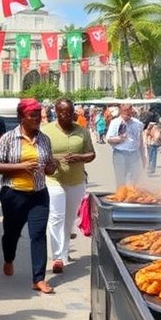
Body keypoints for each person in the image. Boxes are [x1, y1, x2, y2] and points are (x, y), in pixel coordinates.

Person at [0, 99, 57, 293]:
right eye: (32, 115)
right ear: (22, 117)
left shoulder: (44, 139)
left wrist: (51, 168)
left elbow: (49, 166)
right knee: (11, 233)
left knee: (38, 234)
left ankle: (38, 278)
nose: (37, 119)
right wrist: (21, 167)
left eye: (39, 115)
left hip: (39, 194)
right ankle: (8, 258)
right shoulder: (8, 138)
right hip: (13, 194)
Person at [42, 98, 95, 274]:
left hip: (76, 180)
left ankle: (65, 251)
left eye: (69, 112)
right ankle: (57, 257)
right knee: (56, 216)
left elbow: (91, 154)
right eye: (62, 112)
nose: (66, 115)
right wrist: (55, 159)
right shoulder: (46, 130)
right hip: (53, 179)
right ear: (56, 112)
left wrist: (79, 158)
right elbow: (40, 155)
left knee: (69, 218)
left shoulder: (82, 131)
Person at [106, 103, 146, 189]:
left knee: (136, 179)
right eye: (125, 110)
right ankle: (121, 197)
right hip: (120, 154)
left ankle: (133, 198)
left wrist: (143, 157)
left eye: (129, 110)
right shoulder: (115, 122)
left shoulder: (138, 123)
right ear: (120, 110)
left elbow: (141, 142)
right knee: (121, 180)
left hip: (134, 154)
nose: (127, 113)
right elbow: (109, 139)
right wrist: (119, 139)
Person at [143, 111, 161, 176]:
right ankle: (152, 169)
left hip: (150, 142)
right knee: (154, 156)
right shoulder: (158, 125)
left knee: (149, 156)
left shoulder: (149, 125)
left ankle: (149, 168)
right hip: (155, 142)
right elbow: (160, 133)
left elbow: (147, 133)